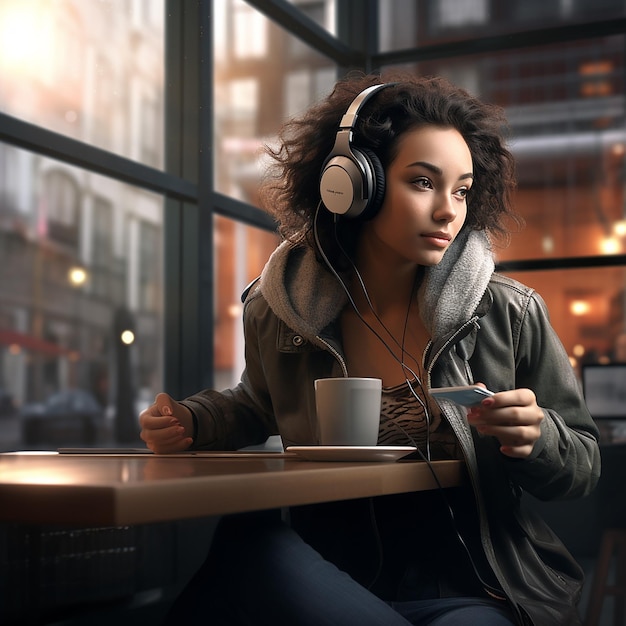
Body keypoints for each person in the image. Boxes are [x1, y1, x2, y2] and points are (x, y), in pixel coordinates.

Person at [139, 72, 601, 625]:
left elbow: (583, 464)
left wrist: (537, 436)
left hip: (480, 587)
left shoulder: (507, 311)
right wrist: (195, 420)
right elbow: (258, 404)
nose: (449, 211)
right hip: (335, 579)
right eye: (424, 183)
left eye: (461, 190)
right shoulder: (279, 311)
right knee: (248, 538)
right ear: (354, 185)